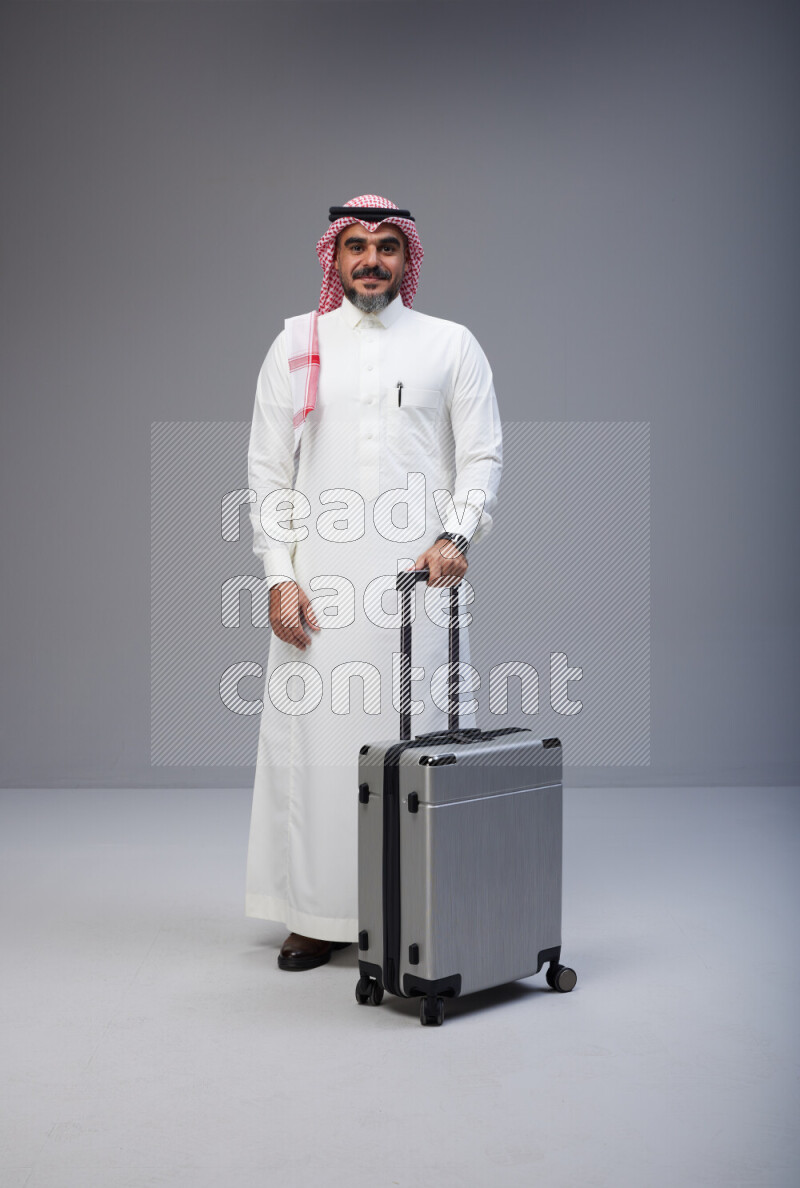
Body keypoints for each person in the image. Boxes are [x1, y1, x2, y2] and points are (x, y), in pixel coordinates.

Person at [246, 194, 503, 970]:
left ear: (407, 258)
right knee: (317, 751)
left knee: (414, 744)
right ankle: (316, 913)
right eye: (355, 245)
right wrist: (279, 575)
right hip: (319, 585)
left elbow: (481, 455)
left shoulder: (450, 344)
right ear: (334, 256)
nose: (370, 260)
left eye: (387, 246)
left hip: (416, 584)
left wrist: (456, 534)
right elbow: (268, 470)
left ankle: (412, 908)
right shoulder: (297, 342)